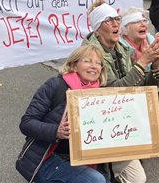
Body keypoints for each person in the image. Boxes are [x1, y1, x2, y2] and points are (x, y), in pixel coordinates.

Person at [83, 0, 159, 182]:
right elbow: (113, 94)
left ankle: (125, 162)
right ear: (97, 28)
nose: (115, 23)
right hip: (101, 124)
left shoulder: (120, 48)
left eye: (116, 18)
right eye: (108, 20)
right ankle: (108, 168)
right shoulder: (91, 54)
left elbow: (143, 88)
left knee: (138, 177)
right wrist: (143, 62)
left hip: (120, 118)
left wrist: (156, 65)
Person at [16, 45, 110, 183]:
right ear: (74, 64)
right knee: (95, 180)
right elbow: (26, 123)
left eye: (98, 63)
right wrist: (56, 131)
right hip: (47, 158)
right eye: (88, 61)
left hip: (85, 160)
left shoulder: (103, 93)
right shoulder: (56, 85)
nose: (94, 66)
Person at [118, 7, 159, 164]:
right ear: (124, 30)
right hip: (128, 88)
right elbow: (126, 79)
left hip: (150, 84)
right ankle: (135, 148)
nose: (143, 24)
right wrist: (144, 60)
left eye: (144, 20)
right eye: (136, 22)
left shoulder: (151, 39)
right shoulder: (120, 46)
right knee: (137, 104)